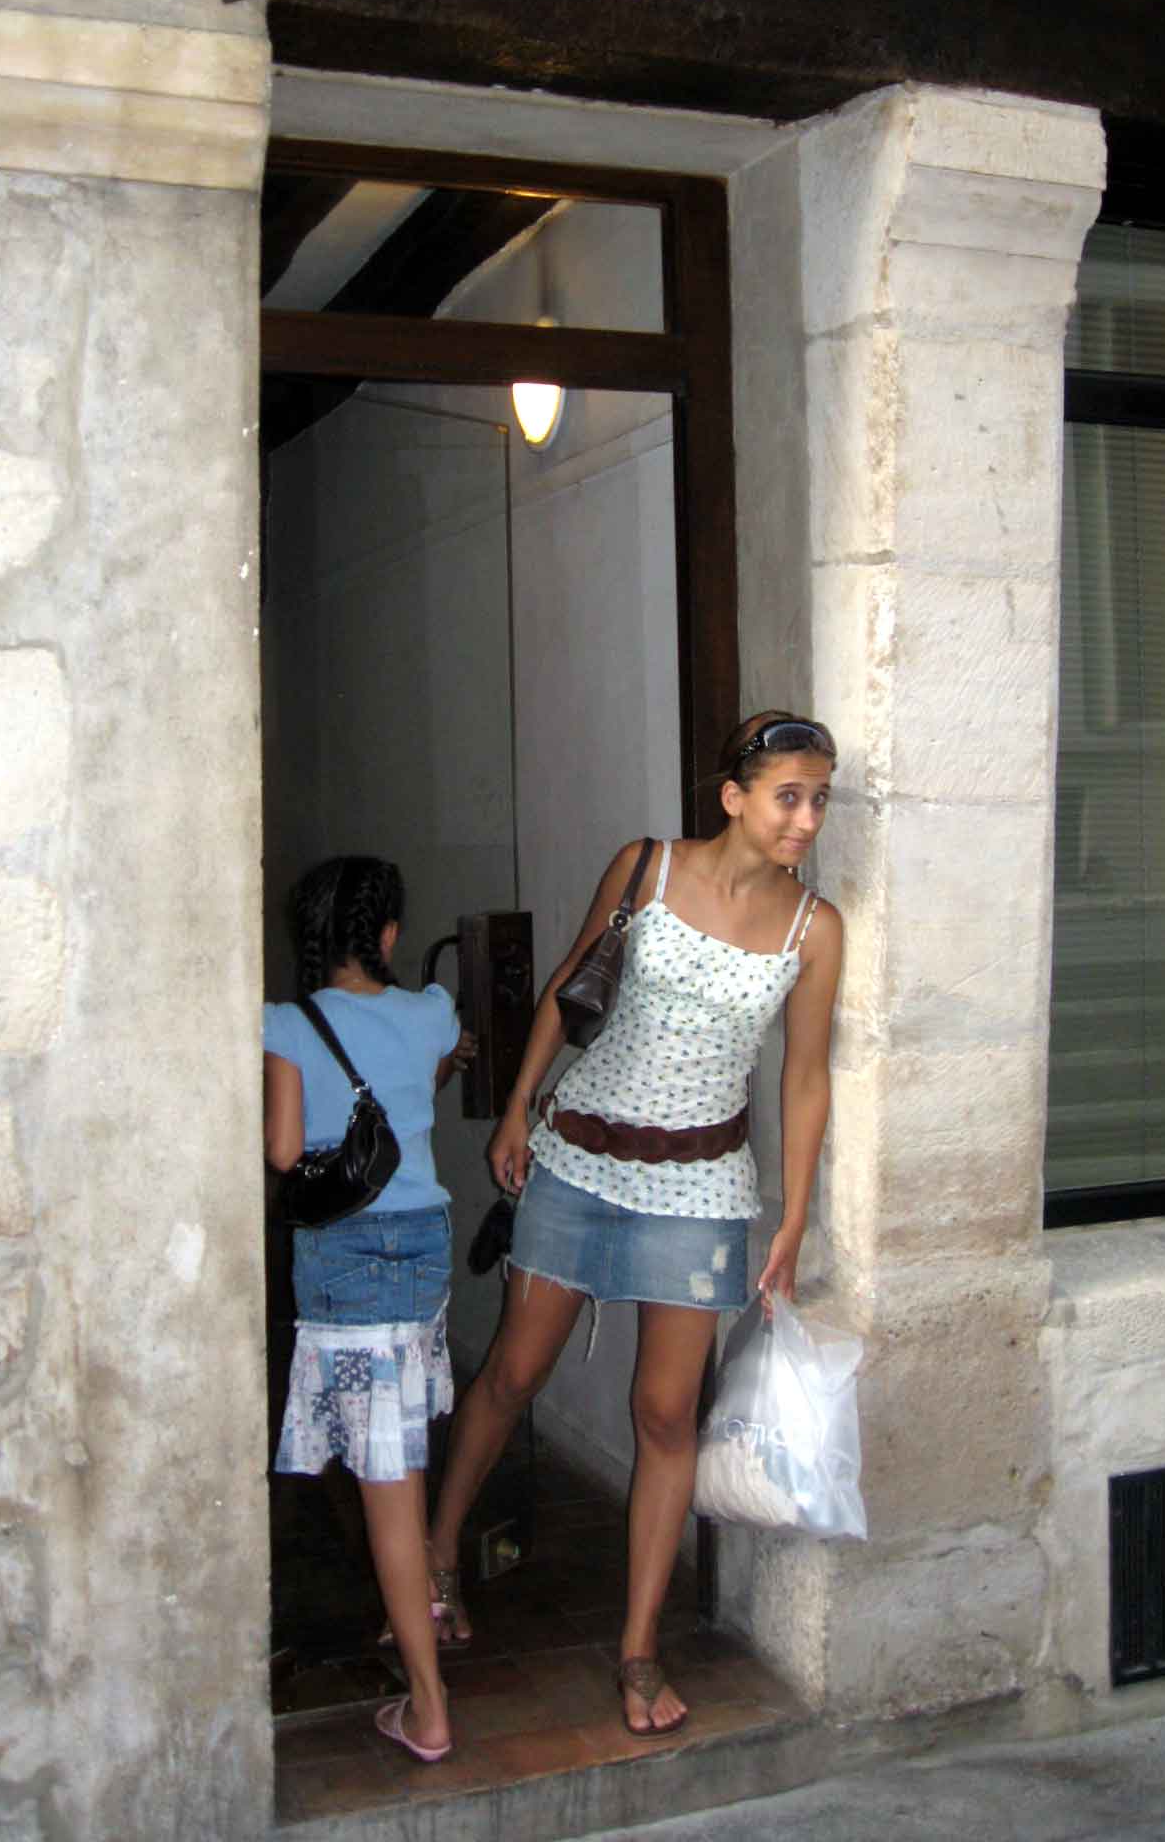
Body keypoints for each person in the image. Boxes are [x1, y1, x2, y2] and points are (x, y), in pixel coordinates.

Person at [425, 711, 843, 1737]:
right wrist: (518, 1106)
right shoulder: (647, 867)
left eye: (820, 800)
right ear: (734, 796)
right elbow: (571, 991)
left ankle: (640, 1647)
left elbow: (804, 1075)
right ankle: (434, 1558)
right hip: (577, 1161)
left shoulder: (813, 928)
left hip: (701, 1189)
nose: (806, 819)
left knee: (665, 1416)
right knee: (514, 1373)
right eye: (789, 796)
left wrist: (791, 1213)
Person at [264, 855, 468, 1765]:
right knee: (402, 1464)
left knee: (387, 1489)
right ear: (387, 934)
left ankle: (429, 1707)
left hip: (345, 1260)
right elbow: (424, 1083)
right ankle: (415, 1617)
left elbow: (283, 1152)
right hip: (423, 1250)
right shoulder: (430, 1013)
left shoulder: (284, 1024)